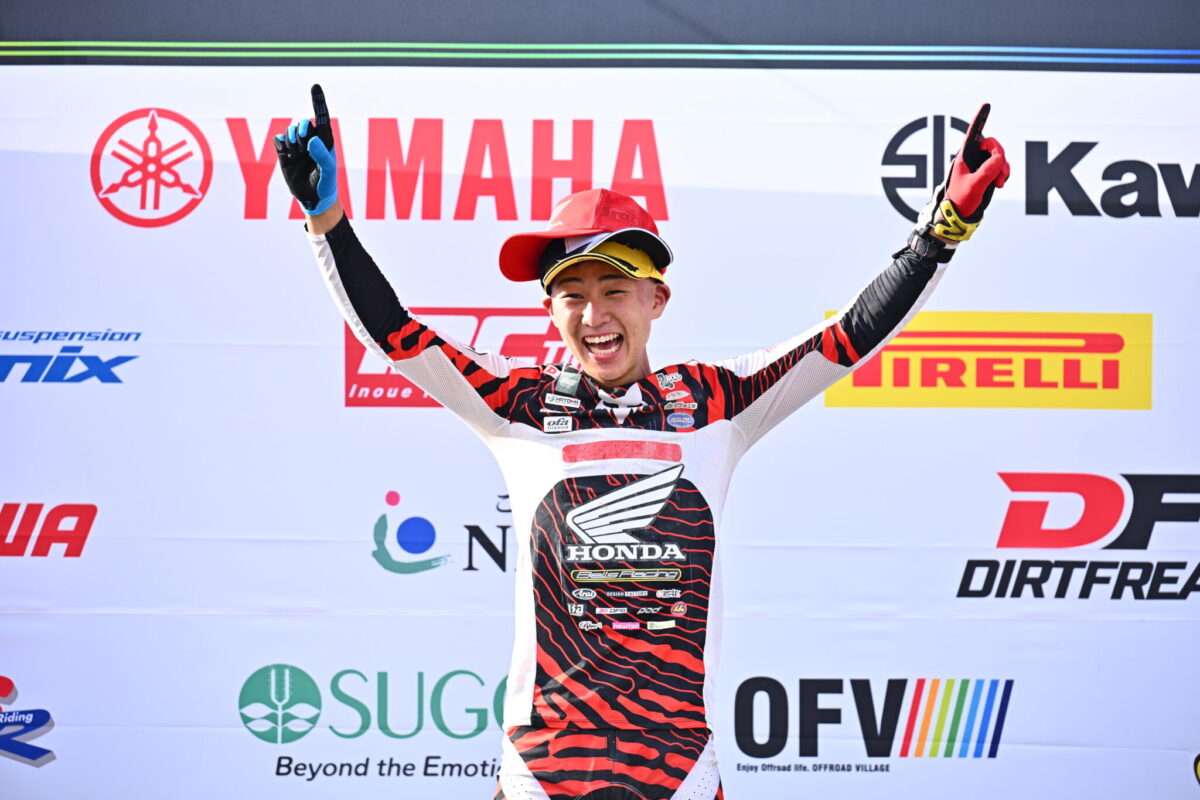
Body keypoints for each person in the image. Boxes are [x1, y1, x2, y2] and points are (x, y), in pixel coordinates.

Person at [276, 85, 1009, 800]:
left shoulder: (719, 402)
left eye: (614, 290)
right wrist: (327, 221)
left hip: (677, 770)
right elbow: (396, 333)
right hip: (542, 772)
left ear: (657, 299)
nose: (593, 314)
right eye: (572, 294)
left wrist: (940, 232)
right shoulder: (515, 403)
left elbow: (846, 337)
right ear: (550, 309)